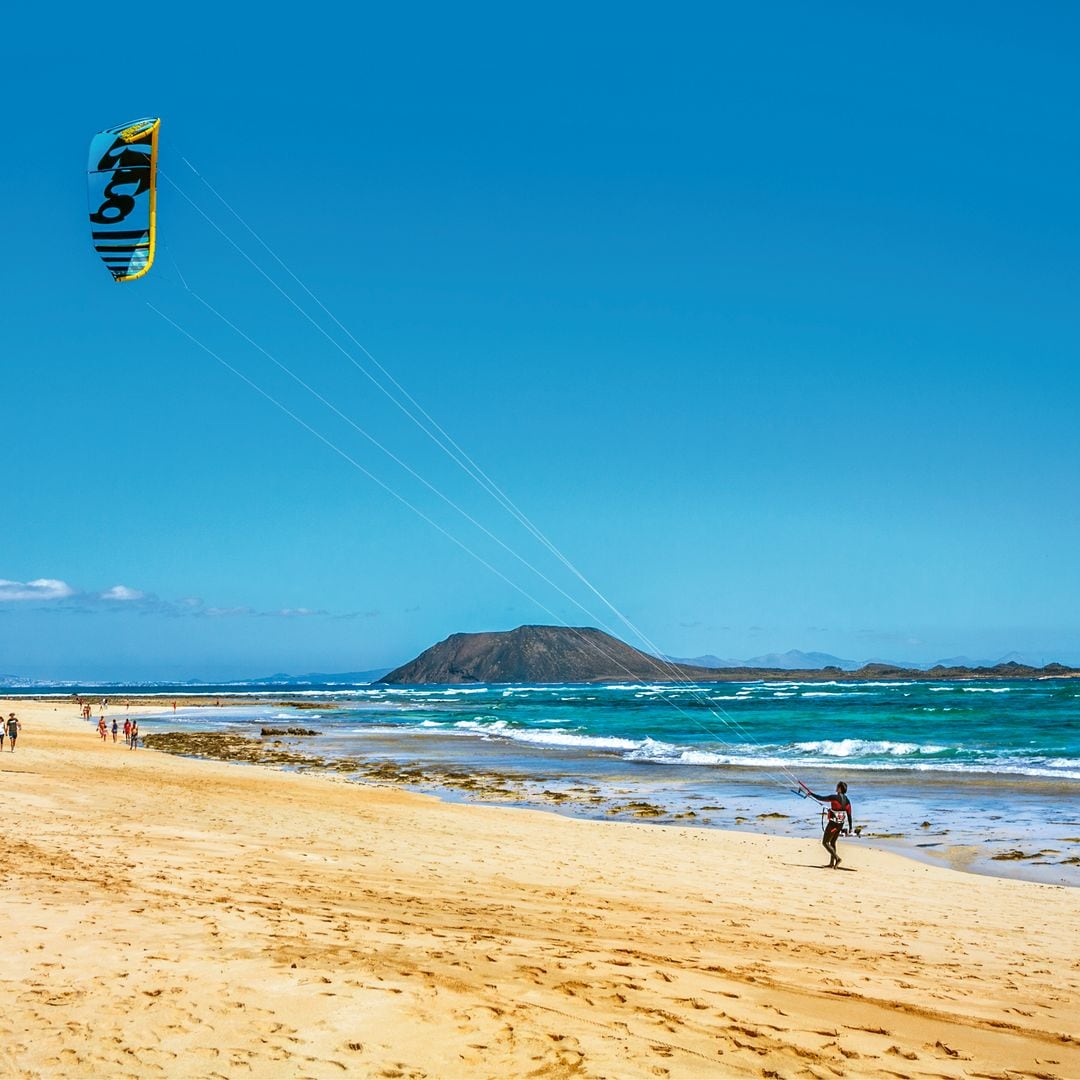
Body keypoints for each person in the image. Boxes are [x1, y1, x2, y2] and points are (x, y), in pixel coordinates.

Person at [803, 781, 852, 868]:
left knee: (825, 842)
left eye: (837, 786)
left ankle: (837, 858)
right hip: (841, 824)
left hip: (833, 824)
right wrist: (851, 827)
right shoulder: (848, 801)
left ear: (840, 788)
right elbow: (849, 814)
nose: (836, 787)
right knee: (832, 842)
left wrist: (811, 794)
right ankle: (831, 863)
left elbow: (821, 798)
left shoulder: (834, 797)